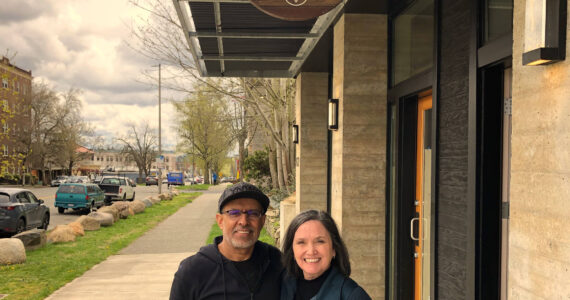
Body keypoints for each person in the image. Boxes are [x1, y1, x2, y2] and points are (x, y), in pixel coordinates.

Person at [170, 182, 284, 300]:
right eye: (234, 213)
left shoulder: (277, 262)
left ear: (262, 221)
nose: (244, 222)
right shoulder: (192, 271)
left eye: (253, 213)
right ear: (220, 221)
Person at [281, 210, 371, 300]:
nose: (311, 251)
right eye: (301, 242)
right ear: (292, 250)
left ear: (334, 248)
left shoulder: (353, 295)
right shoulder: (282, 287)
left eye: (320, 241)